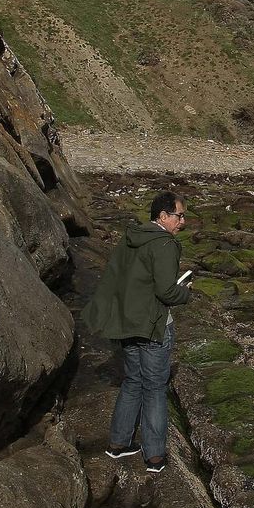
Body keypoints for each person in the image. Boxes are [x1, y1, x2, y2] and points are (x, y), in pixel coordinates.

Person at [82, 190, 192, 473]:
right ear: (163, 216)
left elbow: (120, 279)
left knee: (132, 381)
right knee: (155, 388)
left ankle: (118, 444)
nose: (183, 222)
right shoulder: (165, 244)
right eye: (179, 216)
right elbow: (166, 291)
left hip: (127, 323)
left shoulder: (131, 237)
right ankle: (154, 457)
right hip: (153, 326)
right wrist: (185, 293)